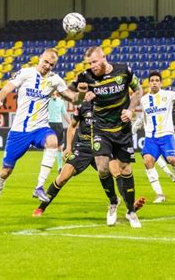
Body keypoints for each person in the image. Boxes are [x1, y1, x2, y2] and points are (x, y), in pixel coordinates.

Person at [0, 48, 88, 229]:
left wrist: (82, 92)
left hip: (40, 128)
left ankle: (39, 186)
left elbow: (74, 100)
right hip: (19, 131)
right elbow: (6, 88)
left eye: (51, 64)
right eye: (45, 62)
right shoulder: (26, 73)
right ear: (40, 59)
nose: (47, 66)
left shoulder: (55, 80)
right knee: (5, 171)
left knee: (53, 142)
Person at [32, 100, 145, 216]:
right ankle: (41, 208)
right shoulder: (83, 106)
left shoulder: (108, 104)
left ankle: (129, 206)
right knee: (62, 178)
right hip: (83, 148)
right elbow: (72, 126)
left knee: (117, 173)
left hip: (103, 147)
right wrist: (69, 147)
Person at [72, 46, 143, 228]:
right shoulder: (85, 76)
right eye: (89, 63)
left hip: (122, 129)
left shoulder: (124, 71)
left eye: (95, 62)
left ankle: (130, 211)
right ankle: (113, 202)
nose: (92, 66)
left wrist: (130, 109)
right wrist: (81, 95)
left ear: (104, 57)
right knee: (103, 168)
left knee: (125, 169)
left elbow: (139, 91)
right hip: (101, 129)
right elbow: (71, 97)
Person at [139, 71, 175, 203]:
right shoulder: (144, 99)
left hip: (166, 135)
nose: (154, 82)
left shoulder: (168, 95)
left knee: (172, 159)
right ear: (149, 83)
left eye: (157, 80)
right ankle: (159, 194)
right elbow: (144, 117)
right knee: (147, 161)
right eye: (152, 80)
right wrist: (134, 129)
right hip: (150, 138)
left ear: (161, 83)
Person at [32, 90, 71, 198]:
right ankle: (44, 167)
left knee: (60, 147)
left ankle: (59, 167)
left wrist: (72, 124)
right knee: (48, 146)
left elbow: (64, 113)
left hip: (58, 125)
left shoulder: (61, 101)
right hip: (49, 124)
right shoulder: (47, 100)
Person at [132, 115, 175, 183]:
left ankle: (160, 176)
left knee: (159, 159)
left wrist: (133, 133)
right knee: (160, 160)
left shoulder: (147, 113)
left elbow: (136, 125)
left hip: (154, 140)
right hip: (159, 139)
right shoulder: (154, 113)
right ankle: (169, 174)